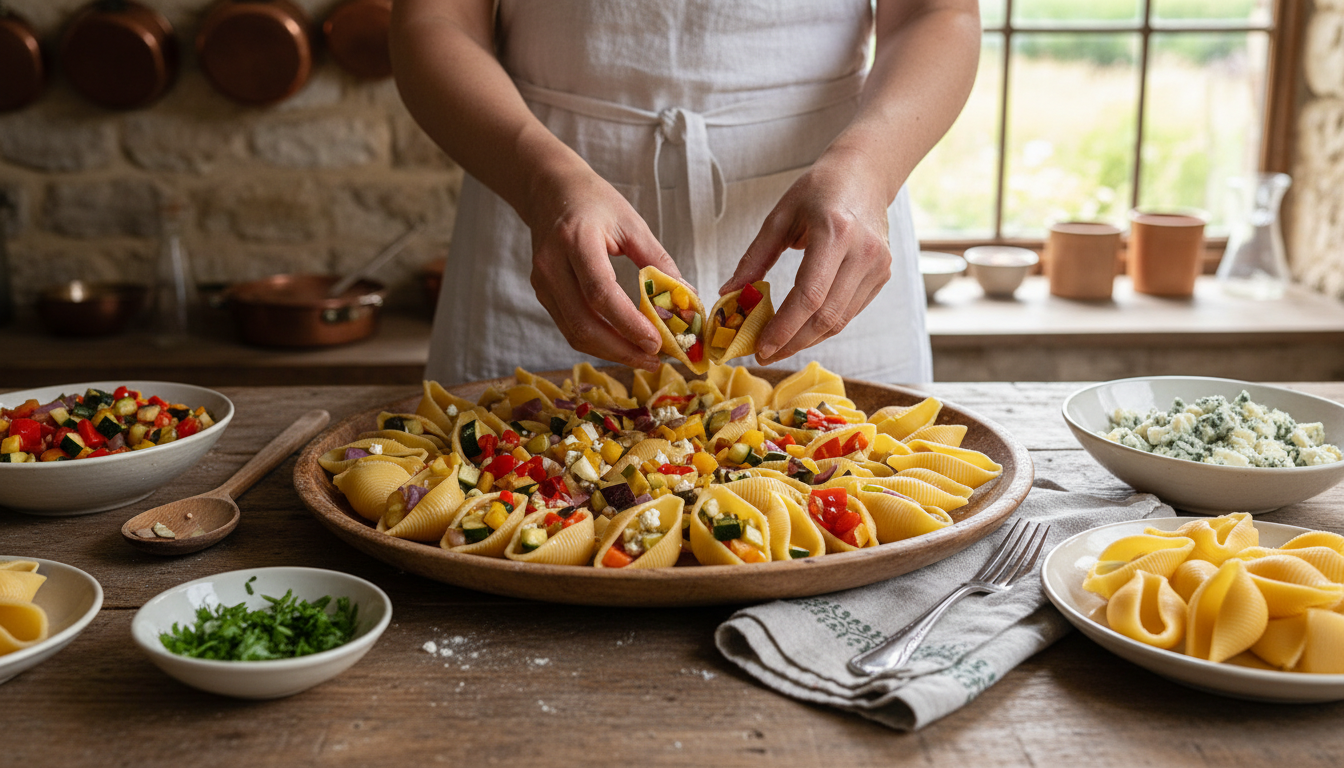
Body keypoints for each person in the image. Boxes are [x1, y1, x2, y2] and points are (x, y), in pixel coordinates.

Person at [392, 0, 979, 385]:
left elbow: (939, 12)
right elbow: (433, 20)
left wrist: (868, 168)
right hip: (540, 202)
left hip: (829, 231)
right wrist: (543, 182)